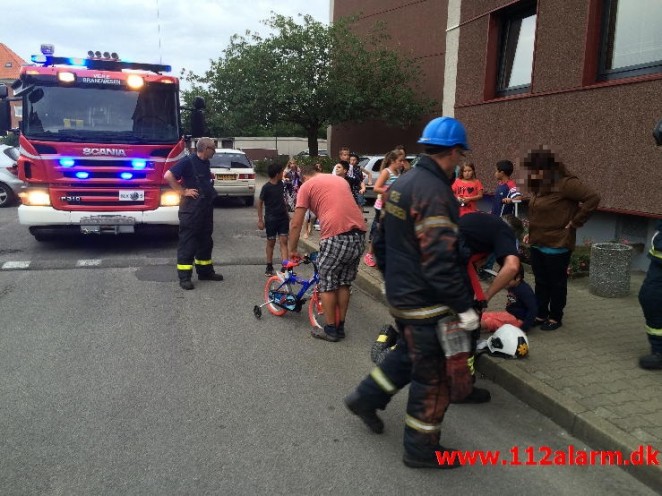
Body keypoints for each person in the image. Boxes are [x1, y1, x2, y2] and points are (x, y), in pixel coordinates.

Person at [344, 116, 480, 469]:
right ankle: (421, 450)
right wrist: (464, 307)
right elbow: (441, 263)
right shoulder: (436, 195)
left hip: (403, 296)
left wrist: (391, 280)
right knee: (432, 378)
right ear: (452, 152)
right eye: (460, 156)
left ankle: (364, 398)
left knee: (406, 356)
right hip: (429, 305)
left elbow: (381, 238)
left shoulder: (401, 185)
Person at [521, 146, 600, 331]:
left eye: (536, 169)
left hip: (557, 243)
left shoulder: (566, 183)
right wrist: (530, 233)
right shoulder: (540, 184)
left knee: (556, 283)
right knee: (540, 281)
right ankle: (541, 314)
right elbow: (538, 213)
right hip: (538, 241)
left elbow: (593, 198)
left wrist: (575, 222)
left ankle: (556, 316)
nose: (533, 173)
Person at [288, 163, 367, 342]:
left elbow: (296, 223)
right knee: (344, 283)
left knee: (326, 282)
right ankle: (340, 327)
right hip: (359, 235)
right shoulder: (340, 180)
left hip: (336, 235)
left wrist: (292, 249)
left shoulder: (306, 186)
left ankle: (330, 330)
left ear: (304, 178)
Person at [164, 137, 224, 290]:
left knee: (205, 241)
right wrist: (183, 191)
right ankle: (184, 277)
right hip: (191, 210)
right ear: (205, 148)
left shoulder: (205, 162)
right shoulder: (188, 161)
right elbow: (168, 176)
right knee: (188, 243)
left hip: (204, 208)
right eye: (213, 148)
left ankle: (205, 272)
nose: (215, 151)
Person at [363, 149, 406, 268]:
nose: (402, 163)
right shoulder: (386, 172)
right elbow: (376, 188)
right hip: (381, 207)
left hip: (393, 206)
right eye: (400, 161)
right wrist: (393, 191)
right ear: (392, 161)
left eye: (403, 160)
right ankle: (369, 254)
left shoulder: (398, 172)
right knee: (379, 231)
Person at [480, 263, 537, 332]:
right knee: (484, 315)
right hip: (509, 314)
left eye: (506, 279)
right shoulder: (512, 285)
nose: (503, 281)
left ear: (518, 278)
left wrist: (524, 328)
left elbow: (533, 309)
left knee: (490, 322)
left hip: (517, 320)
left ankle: (469, 326)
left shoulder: (525, 290)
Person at [257, 162, 290, 277]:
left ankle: (285, 267)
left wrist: (287, 214)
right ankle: (269, 265)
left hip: (283, 218)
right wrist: (260, 220)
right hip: (271, 219)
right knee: (271, 242)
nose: (283, 174)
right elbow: (260, 203)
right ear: (277, 174)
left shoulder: (282, 184)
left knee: (284, 241)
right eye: (281, 172)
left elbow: (283, 200)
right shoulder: (266, 187)